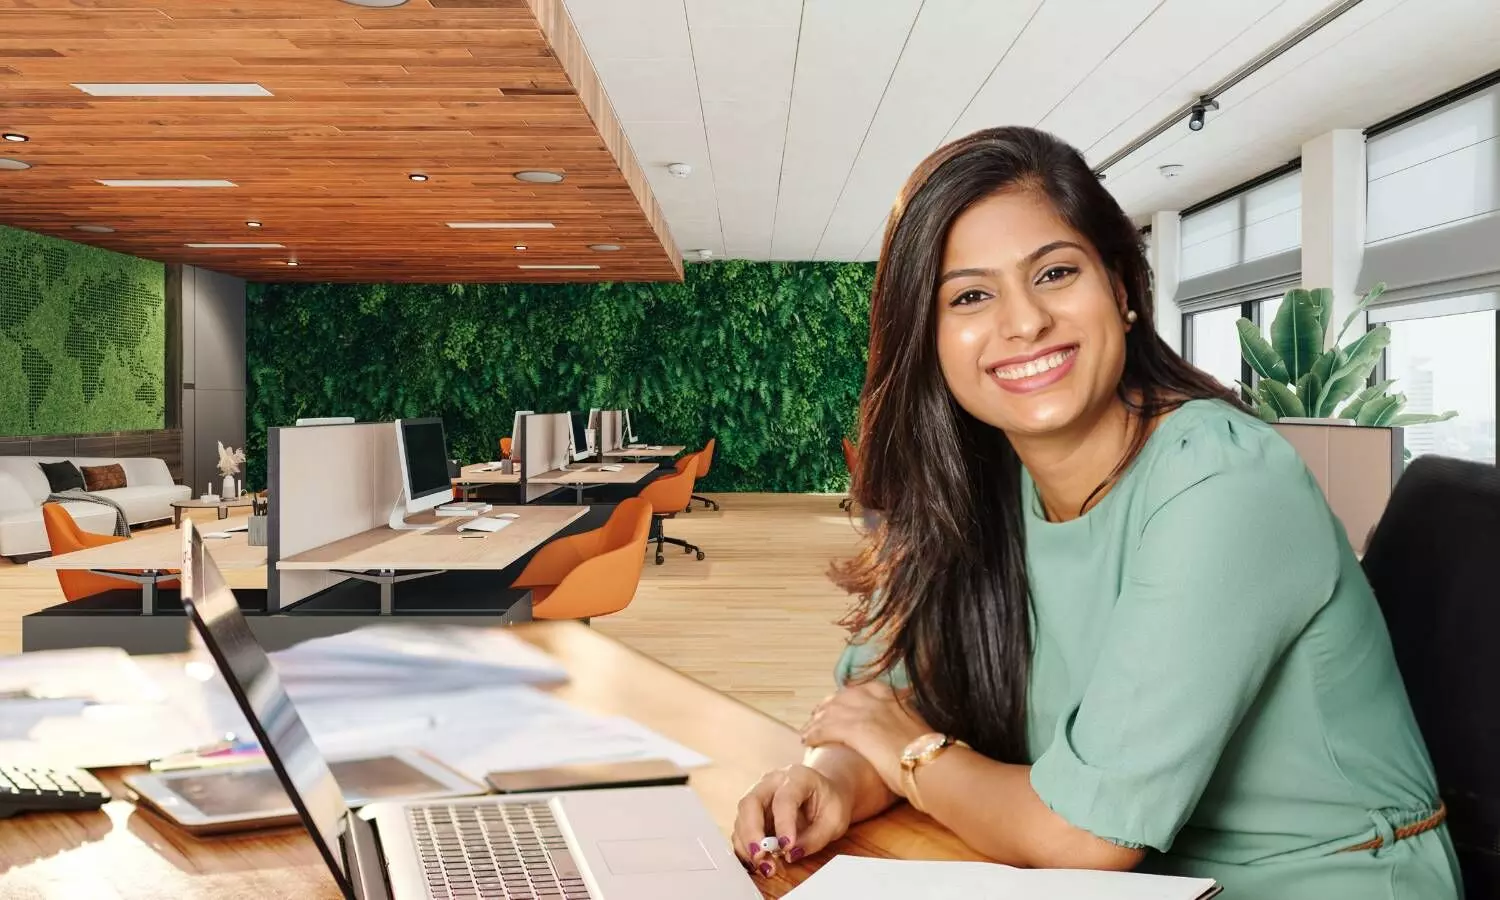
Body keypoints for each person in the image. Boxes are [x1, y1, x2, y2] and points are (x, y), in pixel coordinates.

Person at [732, 126, 1461, 899]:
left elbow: (1084, 835)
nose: (1024, 322)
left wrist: (909, 755)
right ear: (930, 338)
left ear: (1121, 290)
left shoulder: (1222, 479)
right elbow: (889, 700)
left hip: (1323, 881)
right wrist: (837, 781)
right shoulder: (978, 485)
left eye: (1054, 273)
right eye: (971, 294)